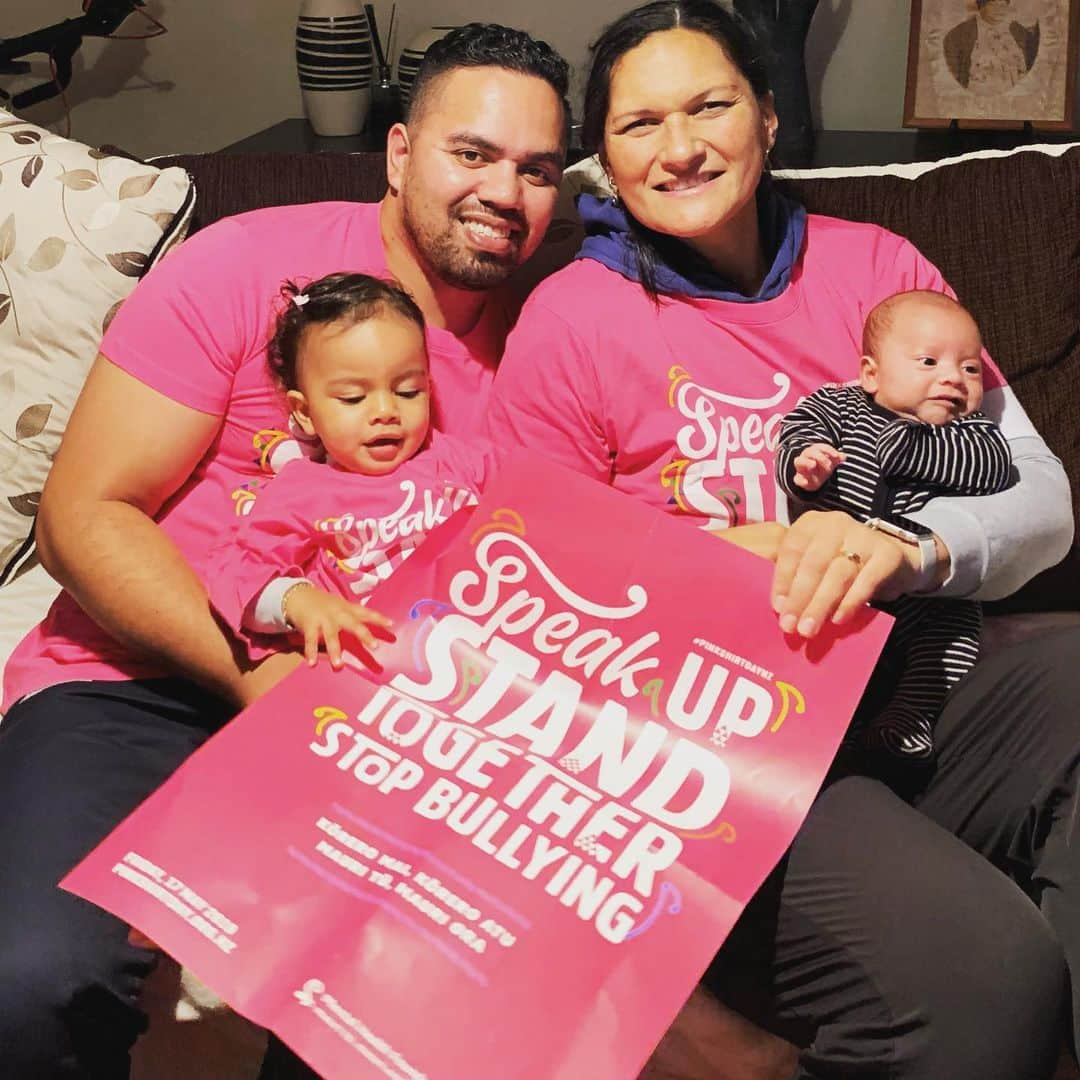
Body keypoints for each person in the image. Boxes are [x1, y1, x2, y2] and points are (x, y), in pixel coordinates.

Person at [488, 2, 1077, 1077]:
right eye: (639, 124)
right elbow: (525, 601)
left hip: (914, 678)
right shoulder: (570, 320)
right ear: (601, 161)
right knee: (987, 974)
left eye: (711, 106)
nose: (680, 148)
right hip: (724, 746)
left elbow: (1041, 499)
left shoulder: (877, 269)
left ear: (766, 121)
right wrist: (712, 573)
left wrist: (907, 550)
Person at [0, 23, 569, 1078]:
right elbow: (81, 516)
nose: (506, 191)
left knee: (394, 1016)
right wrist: (251, 677)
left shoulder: (549, 350)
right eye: (474, 153)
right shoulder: (250, 262)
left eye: (538, 169)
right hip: (135, 672)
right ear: (399, 153)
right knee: (28, 978)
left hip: (388, 729)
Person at [206, 272, 493, 670]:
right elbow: (234, 573)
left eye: (408, 391)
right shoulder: (302, 491)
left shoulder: (456, 460)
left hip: (481, 643)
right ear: (305, 414)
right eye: (353, 398)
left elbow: (533, 499)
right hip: (374, 672)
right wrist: (297, 601)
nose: (385, 412)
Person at [776, 290, 1012, 765]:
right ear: (870, 373)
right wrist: (804, 463)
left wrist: (915, 446)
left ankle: (910, 718)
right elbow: (796, 429)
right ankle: (834, 735)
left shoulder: (971, 432)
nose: (953, 377)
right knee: (816, 643)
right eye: (929, 361)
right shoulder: (840, 407)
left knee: (955, 636)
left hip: (922, 592)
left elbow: (994, 470)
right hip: (837, 577)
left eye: (970, 369)